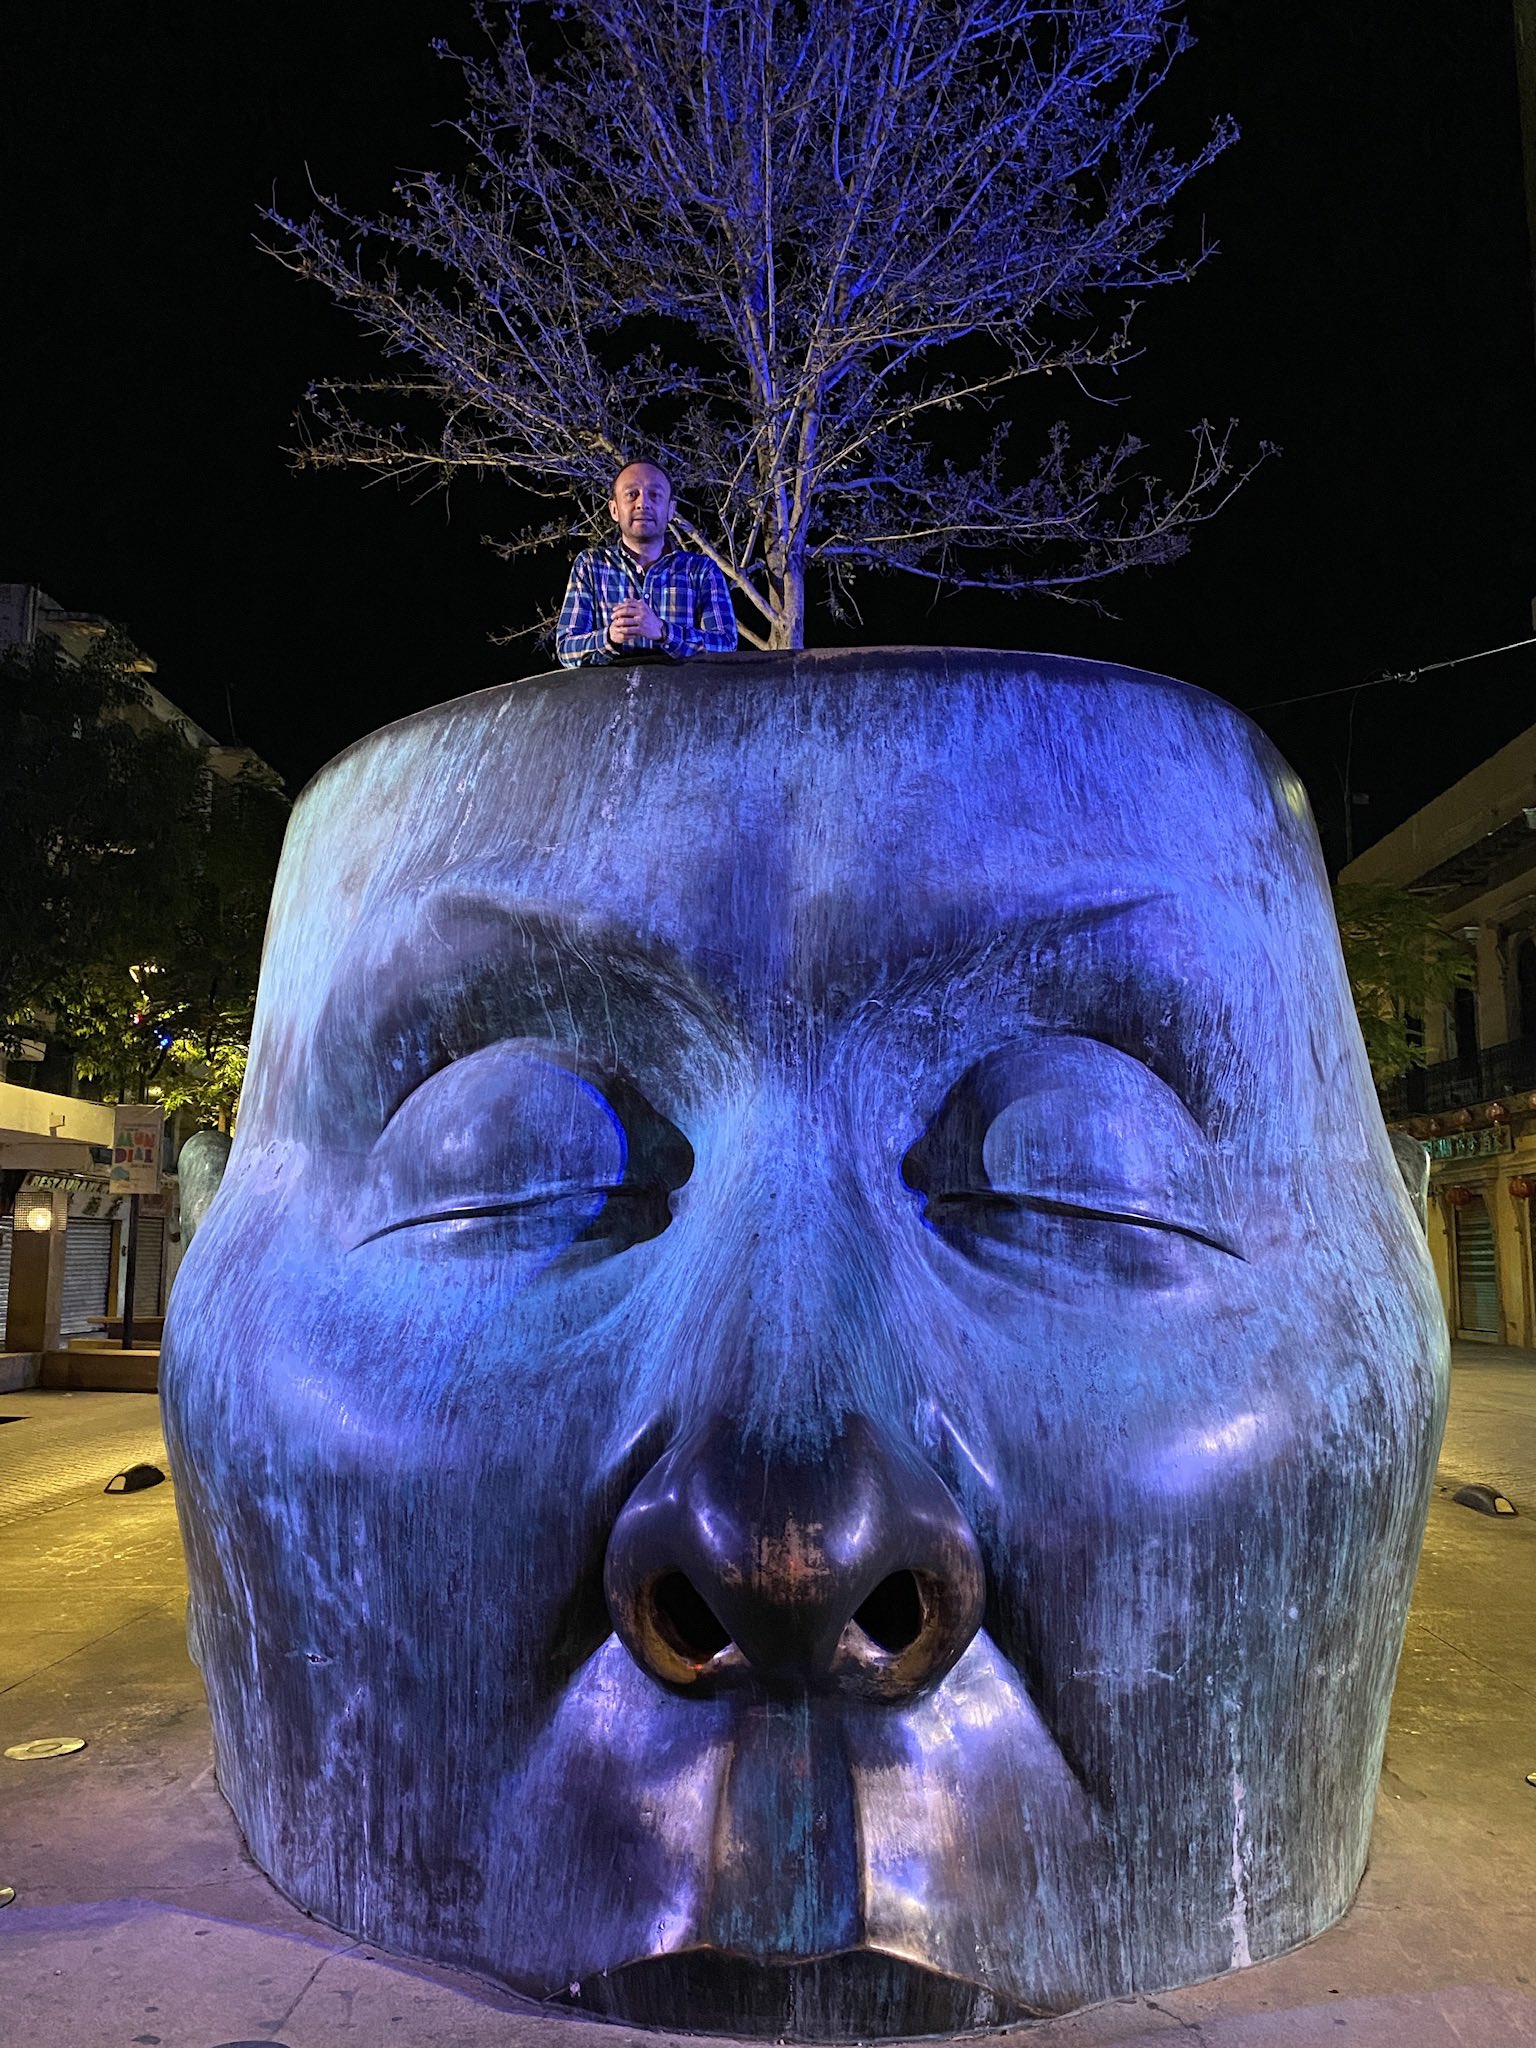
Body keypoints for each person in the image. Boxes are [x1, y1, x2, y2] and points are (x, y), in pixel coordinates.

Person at [555, 459, 738, 666]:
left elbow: (726, 645)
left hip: (679, 687)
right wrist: (610, 637)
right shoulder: (590, 565)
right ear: (614, 510)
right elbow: (566, 649)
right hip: (613, 688)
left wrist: (663, 631)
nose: (643, 504)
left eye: (655, 495)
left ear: (670, 510)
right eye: (631, 494)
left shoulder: (701, 570)